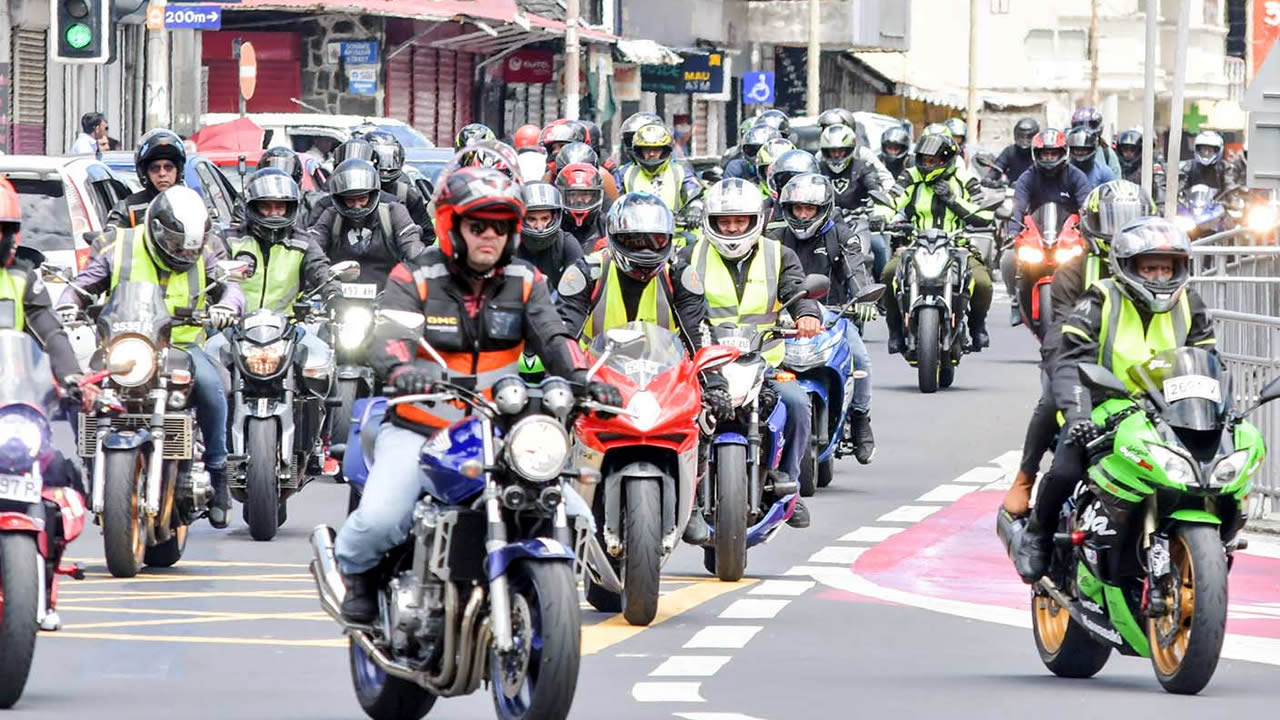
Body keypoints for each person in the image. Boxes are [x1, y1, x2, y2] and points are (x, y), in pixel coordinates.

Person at [333, 166, 621, 622]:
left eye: (501, 226)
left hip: (498, 426)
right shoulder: (415, 277)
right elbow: (390, 335)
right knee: (382, 519)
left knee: (573, 513)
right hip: (420, 423)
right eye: (477, 225)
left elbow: (554, 337)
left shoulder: (526, 281)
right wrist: (403, 368)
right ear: (452, 226)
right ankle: (359, 577)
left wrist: (585, 375)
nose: (490, 235)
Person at [1011, 217, 1216, 582]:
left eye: (1166, 268)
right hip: (1107, 406)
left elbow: (1210, 361)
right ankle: (1037, 535)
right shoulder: (1101, 298)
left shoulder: (1191, 303)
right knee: (1066, 468)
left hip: (1170, 409)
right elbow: (1071, 360)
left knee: (1210, 469)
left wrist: (1222, 409)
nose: (1158, 277)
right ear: (1128, 267)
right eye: (1149, 267)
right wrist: (1078, 416)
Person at [58, 186, 243, 528]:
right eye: (175, 245)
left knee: (213, 387)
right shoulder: (121, 245)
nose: (182, 253)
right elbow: (86, 282)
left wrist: (227, 307)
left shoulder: (204, 251)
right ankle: (89, 459)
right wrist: (71, 301)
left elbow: (229, 287)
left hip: (182, 347)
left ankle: (218, 473)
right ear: (157, 229)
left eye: (189, 247)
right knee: (80, 389)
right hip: (124, 343)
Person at [556, 191, 729, 542]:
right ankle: (554, 500)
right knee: (552, 419)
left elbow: (698, 332)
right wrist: (564, 377)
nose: (646, 250)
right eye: (634, 241)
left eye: (656, 241)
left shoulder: (679, 274)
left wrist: (715, 382)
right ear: (615, 238)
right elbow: (563, 332)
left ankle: (692, 502)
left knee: (709, 416)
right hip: (598, 376)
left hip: (664, 377)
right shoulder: (587, 272)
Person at [998, 180, 1153, 531]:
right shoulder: (1076, 269)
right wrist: (1066, 372)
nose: (1118, 233)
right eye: (1112, 221)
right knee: (1052, 402)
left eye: (1128, 221)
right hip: (1084, 373)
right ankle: (1025, 480)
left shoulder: (1162, 271)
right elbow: (1059, 336)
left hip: (1149, 384)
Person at [681, 178, 821, 528]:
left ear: (754, 220)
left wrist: (806, 314)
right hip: (703, 365)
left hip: (764, 363)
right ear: (710, 222)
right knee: (675, 413)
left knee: (797, 403)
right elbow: (673, 299)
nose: (731, 228)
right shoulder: (689, 255)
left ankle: (788, 489)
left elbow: (797, 289)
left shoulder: (778, 254)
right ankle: (682, 492)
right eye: (725, 221)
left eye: (739, 221)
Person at [0, 178, 99, 629]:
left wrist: (73, 378)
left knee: (60, 476)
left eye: (1, 229)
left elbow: (50, 332)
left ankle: (47, 575)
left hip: (8, 408)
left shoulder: (21, 278)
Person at [769, 173, 877, 463]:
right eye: (797, 209)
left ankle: (860, 419)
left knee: (861, 357)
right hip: (782, 318)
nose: (803, 215)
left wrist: (863, 297)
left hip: (833, 316)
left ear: (824, 208)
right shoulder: (773, 237)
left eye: (810, 209)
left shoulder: (842, 235)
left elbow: (856, 271)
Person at [883, 132, 994, 353]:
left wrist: (953, 200)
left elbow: (985, 213)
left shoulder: (965, 179)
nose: (927, 165)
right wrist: (881, 216)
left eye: (932, 161)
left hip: (958, 246)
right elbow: (891, 199)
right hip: (916, 244)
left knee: (982, 283)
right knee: (889, 273)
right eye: (923, 160)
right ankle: (895, 331)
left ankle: (977, 326)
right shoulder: (911, 176)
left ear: (946, 160)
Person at [999, 128, 1095, 324]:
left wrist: (1089, 232)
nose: (1049, 158)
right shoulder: (1028, 177)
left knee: (1093, 261)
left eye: (1053, 154)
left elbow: (1086, 207)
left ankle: (1090, 303)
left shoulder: (1076, 177)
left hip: (1069, 236)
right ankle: (1015, 300)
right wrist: (1012, 232)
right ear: (1037, 154)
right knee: (1008, 259)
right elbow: (1018, 207)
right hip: (1036, 235)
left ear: (1063, 153)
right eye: (1045, 154)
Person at [307, 158, 427, 290]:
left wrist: (419, 273)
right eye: (350, 200)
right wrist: (323, 282)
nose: (357, 206)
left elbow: (411, 245)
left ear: (373, 194)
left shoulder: (394, 212)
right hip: (338, 294)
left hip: (388, 294)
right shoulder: (331, 215)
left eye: (362, 198)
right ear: (339, 199)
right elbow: (313, 250)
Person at [106, 129, 188, 230]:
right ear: (145, 173)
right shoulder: (127, 208)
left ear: (179, 171)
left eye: (168, 167)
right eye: (155, 168)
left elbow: (211, 234)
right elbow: (108, 237)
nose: (162, 173)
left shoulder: (194, 204)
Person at [619, 123, 700, 214]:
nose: (652, 154)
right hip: (634, 226)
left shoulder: (680, 171)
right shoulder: (625, 173)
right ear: (639, 151)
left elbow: (694, 193)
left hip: (673, 227)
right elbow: (613, 200)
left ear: (665, 150)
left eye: (656, 149)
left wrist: (694, 208)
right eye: (647, 149)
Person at [517, 181, 582, 288]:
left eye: (545, 218)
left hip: (559, 303)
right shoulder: (509, 244)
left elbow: (579, 289)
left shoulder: (566, 243)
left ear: (554, 217)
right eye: (531, 219)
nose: (539, 226)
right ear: (521, 218)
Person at [365, 130, 431, 231]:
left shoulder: (405, 193)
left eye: (389, 159)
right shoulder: (347, 190)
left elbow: (427, 233)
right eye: (379, 159)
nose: (385, 169)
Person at [557, 161, 608, 253]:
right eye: (573, 195)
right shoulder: (552, 223)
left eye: (585, 194)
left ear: (596, 196)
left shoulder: (608, 225)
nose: (579, 200)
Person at [1114, 128, 1167, 203]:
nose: (1128, 153)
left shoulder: (1150, 166)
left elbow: (1161, 191)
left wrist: (1158, 208)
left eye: (1132, 149)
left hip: (1144, 209)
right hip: (1118, 207)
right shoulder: (1115, 165)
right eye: (1125, 149)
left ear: (1139, 150)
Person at [987, 116, 1039, 187]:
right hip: (1011, 191)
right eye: (1021, 137)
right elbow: (997, 168)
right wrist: (989, 178)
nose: (1024, 140)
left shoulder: (1040, 153)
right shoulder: (1010, 151)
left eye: (1028, 137)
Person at [1070, 106, 1122, 176]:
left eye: (1090, 126)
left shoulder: (1107, 153)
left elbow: (1116, 181)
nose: (1084, 130)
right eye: (1078, 125)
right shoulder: (1068, 151)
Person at [1066, 125, 1116, 189]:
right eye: (1076, 149)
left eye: (1084, 150)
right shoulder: (1064, 172)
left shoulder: (1104, 173)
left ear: (1092, 149)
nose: (1080, 153)